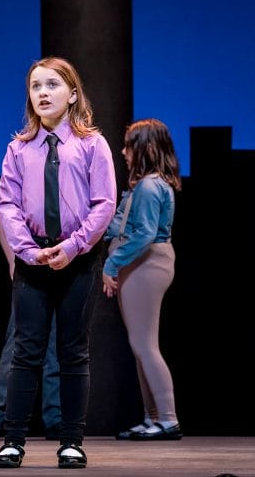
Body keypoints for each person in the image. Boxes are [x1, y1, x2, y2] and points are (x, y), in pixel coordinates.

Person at [0, 57, 116, 470]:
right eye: (35, 86)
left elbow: (104, 204)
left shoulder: (92, 145)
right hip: (35, 260)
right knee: (26, 351)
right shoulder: (18, 148)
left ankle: (71, 441)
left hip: (78, 259)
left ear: (73, 94)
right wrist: (29, 251)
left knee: (72, 351)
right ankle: (13, 441)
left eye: (52, 85)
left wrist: (74, 246)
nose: (43, 93)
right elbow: (8, 205)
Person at [101, 118, 183, 441]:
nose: (123, 152)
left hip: (145, 264)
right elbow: (126, 227)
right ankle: (154, 417)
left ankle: (167, 419)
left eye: (128, 146)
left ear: (145, 148)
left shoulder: (150, 186)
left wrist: (112, 263)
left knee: (145, 345)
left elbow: (145, 234)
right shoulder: (148, 185)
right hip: (141, 264)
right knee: (141, 345)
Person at [0, 215, 63, 442]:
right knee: (17, 346)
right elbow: (0, 219)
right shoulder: (29, 192)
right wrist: (12, 262)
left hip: (61, 270)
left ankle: (55, 419)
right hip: (30, 271)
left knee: (55, 347)